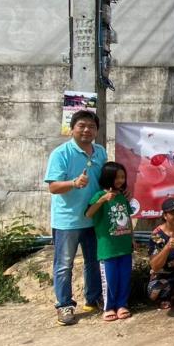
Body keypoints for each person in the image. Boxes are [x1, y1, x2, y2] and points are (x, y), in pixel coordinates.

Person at [44, 110, 107, 326]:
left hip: (93, 218)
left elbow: (104, 181)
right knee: (64, 264)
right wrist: (73, 183)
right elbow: (53, 187)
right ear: (72, 129)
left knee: (94, 261)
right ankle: (64, 305)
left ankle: (93, 298)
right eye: (82, 126)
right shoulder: (60, 153)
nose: (87, 130)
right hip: (67, 221)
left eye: (91, 126)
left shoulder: (100, 152)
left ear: (97, 131)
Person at [85, 162, 134, 322]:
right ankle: (108, 307)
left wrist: (132, 238)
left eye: (122, 177)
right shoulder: (99, 195)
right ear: (108, 177)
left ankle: (122, 304)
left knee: (124, 277)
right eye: (117, 177)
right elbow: (88, 214)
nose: (120, 180)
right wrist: (102, 200)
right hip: (107, 248)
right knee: (110, 279)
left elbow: (128, 219)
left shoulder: (122, 196)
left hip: (124, 246)